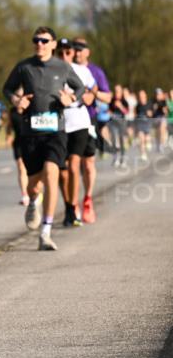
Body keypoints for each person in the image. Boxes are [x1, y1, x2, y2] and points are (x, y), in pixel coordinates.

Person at [2, 27, 85, 251]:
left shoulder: (62, 67)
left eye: (44, 41)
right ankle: (32, 202)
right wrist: (16, 101)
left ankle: (46, 231)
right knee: (33, 185)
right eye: (36, 40)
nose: (39, 44)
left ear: (53, 44)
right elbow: (7, 89)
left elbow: (80, 88)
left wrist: (70, 98)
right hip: (31, 132)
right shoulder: (24, 66)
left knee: (52, 171)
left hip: (55, 130)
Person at [56, 38, 96, 227]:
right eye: (61, 53)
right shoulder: (51, 71)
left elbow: (92, 89)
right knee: (61, 173)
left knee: (74, 166)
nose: (65, 56)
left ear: (73, 54)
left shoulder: (81, 71)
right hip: (59, 123)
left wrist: (88, 96)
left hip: (79, 121)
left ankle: (74, 207)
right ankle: (69, 207)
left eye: (68, 52)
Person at [72, 37, 111, 224]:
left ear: (88, 52)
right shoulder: (66, 69)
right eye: (74, 49)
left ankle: (87, 199)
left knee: (87, 164)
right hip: (68, 121)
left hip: (88, 119)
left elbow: (108, 97)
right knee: (72, 165)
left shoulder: (95, 71)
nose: (77, 52)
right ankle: (72, 203)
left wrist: (93, 92)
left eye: (81, 49)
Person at [108, 84, 130, 167]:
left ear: (121, 92)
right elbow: (109, 110)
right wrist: (110, 113)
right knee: (114, 139)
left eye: (118, 91)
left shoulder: (124, 101)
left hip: (122, 122)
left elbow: (127, 112)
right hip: (113, 123)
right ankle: (115, 158)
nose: (117, 93)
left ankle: (123, 158)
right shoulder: (112, 100)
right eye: (116, 91)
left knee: (121, 140)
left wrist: (120, 106)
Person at [134, 88, 152, 161]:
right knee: (141, 139)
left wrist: (150, 114)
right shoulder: (138, 105)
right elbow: (136, 114)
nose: (141, 98)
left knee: (146, 139)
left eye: (142, 96)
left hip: (147, 124)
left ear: (145, 96)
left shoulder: (149, 104)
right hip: (140, 125)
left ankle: (148, 142)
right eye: (140, 96)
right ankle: (143, 154)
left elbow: (152, 114)